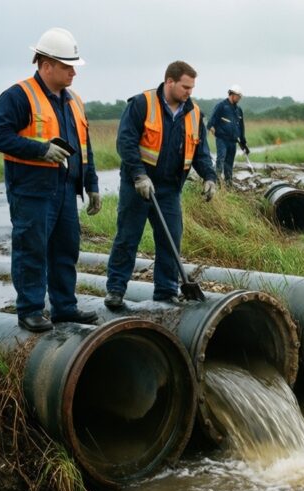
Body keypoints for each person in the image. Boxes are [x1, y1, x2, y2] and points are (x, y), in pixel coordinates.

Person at [0, 28, 101, 332]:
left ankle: (65, 308)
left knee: (66, 250)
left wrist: (91, 184)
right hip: (32, 190)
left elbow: (84, 146)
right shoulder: (18, 96)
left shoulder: (74, 100)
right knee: (32, 249)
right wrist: (41, 150)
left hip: (65, 190)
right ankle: (30, 310)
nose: (74, 72)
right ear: (46, 65)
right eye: (67, 66)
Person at [104, 61, 217, 308]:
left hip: (169, 189)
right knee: (127, 238)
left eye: (192, 87)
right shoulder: (142, 104)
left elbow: (200, 153)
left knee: (170, 239)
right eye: (185, 87)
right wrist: (139, 175)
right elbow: (126, 142)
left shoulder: (194, 113)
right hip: (138, 185)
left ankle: (166, 292)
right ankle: (115, 289)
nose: (189, 92)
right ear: (169, 82)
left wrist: (209, 177)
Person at [207, 85, 248, 185]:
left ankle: (228, 183)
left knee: (229, 162)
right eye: (238, 96)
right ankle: (217, 182)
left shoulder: (238, 110)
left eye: (240, 97)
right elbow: (210, 123)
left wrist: (243, 143)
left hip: (233, 141)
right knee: (221, 159)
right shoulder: (221, 106)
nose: (239, 99)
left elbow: (241, 127)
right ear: (232, 94)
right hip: (222, 139)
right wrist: (213, 130)